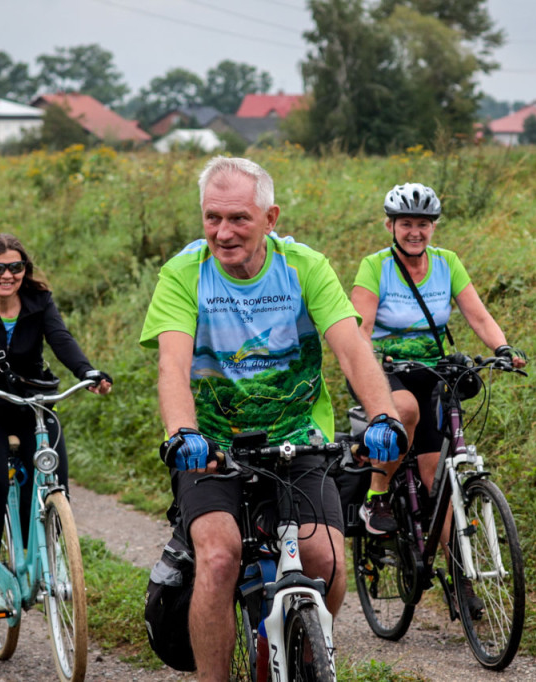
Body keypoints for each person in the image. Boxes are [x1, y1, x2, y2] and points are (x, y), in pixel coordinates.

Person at [139, 156, 404, 680]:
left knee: (325, 562)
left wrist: (384, 416)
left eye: (238, 218)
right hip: (209, 445)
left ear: (270, 218)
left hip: (298, 439)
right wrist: (182, 432)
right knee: (218, 558)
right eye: (212, 217)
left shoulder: (304, 267)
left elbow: (352, 350)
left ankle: (306, 659)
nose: (223, 231)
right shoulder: (183, 273)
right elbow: (172, 364)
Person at [0, 233, 112, 613]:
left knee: (56, 483)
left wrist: (87, 372)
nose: (8, 275)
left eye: (15, 267)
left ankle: (53, 560)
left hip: (31, 404)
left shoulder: (39, 301)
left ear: (25, 269)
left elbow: (61, 339)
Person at [350, 183, 527, 538]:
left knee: (437, 478)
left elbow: (477, 315)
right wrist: (367, 360)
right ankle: (377, 495)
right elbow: (360, 329)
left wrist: (503, 348)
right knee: (406, 410)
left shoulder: (447, 263)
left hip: (433, 372)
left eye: (423, 224)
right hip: (385, 372)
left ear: (434, 226)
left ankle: (459, 581)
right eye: (406, 224)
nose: (415, 232)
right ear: (390, 226)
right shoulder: (376, 267)